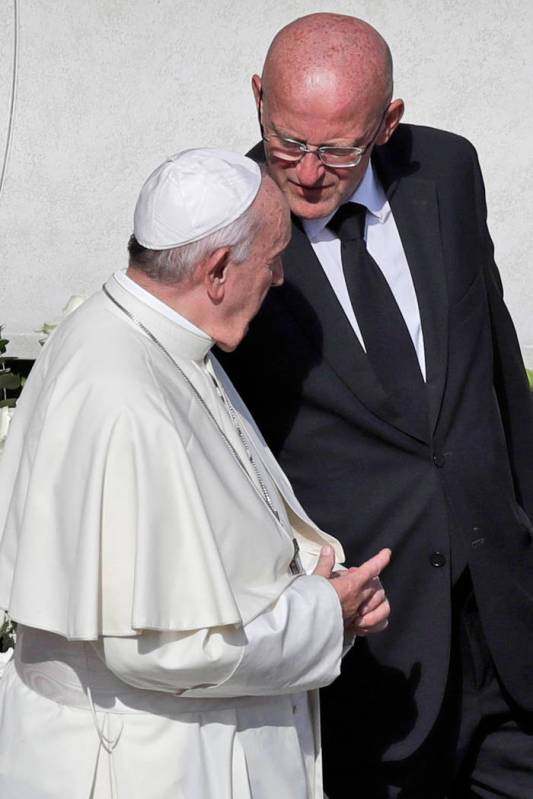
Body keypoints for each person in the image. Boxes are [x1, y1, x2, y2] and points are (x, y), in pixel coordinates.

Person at [0, 148, 391, 799]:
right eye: (270, 261)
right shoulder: (122, 390)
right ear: (215, 271)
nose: (280, 280)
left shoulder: (148, 338)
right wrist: (326, 615)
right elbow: (160, 648)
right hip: (156, 766)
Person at [215, 13, 533, 799]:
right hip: (371, 654)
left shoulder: (448, 172)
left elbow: (496, 358)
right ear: (257, 97)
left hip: (502, 614)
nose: (309, 171)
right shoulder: (222, 232)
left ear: (387, 124)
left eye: (337, 149)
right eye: (287, 142)